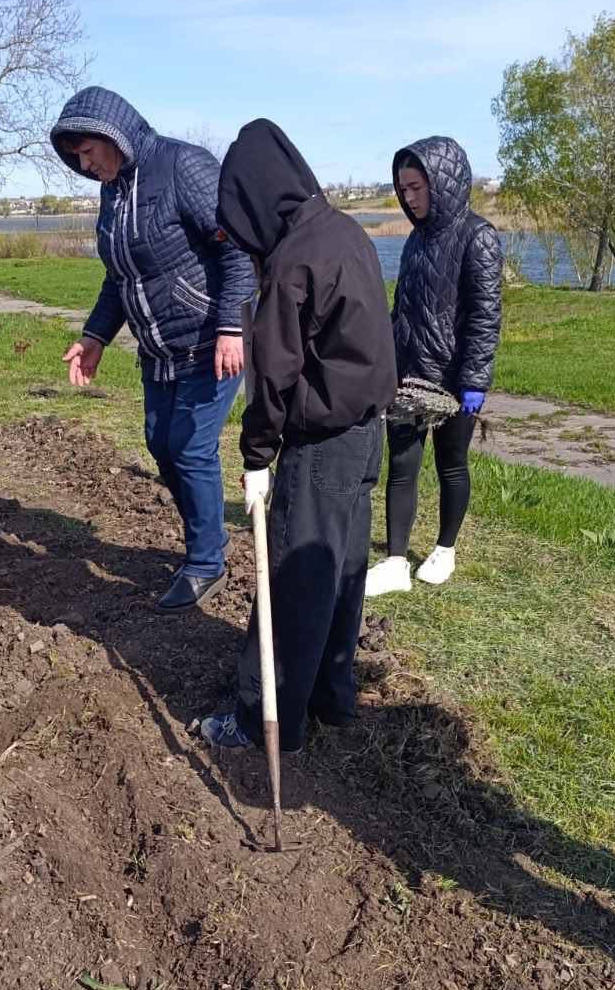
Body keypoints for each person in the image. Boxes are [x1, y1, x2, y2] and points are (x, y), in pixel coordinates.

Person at [198, 119, 397, 753]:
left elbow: (275, 375)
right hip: (367, 435)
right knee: (340, 570)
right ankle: (332, 697)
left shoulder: (292, 261)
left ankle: (265, 718)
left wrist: (256, 457)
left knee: (295, 582)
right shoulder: (347, 233)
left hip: (321, 447)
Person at [51, 87, 256, 613]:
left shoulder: (183, 165)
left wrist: (232, 326)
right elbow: (119, 276)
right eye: (77, 156)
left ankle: (206, 562)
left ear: (113, 134)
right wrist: (95, 337)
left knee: (190, 447)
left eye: (88, 150)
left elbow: (237, 248)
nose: (85, 164)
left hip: (209, 342)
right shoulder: (113, 192)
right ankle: (207, 537)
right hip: (159, 351)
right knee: (161, 445)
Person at [364, 137, 502, 596]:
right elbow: (402, 308)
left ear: (443, 182)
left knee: (451, 465)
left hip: (453, 382)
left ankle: (445, 548)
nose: (409, 198)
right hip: (408, 375)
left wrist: (474, 381)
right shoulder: (415, 240)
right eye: (403, 189)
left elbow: (484, 316)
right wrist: (386, 360)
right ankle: (395, 561)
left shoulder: (478, 237)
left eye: (416, 187)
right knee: (401, 465)